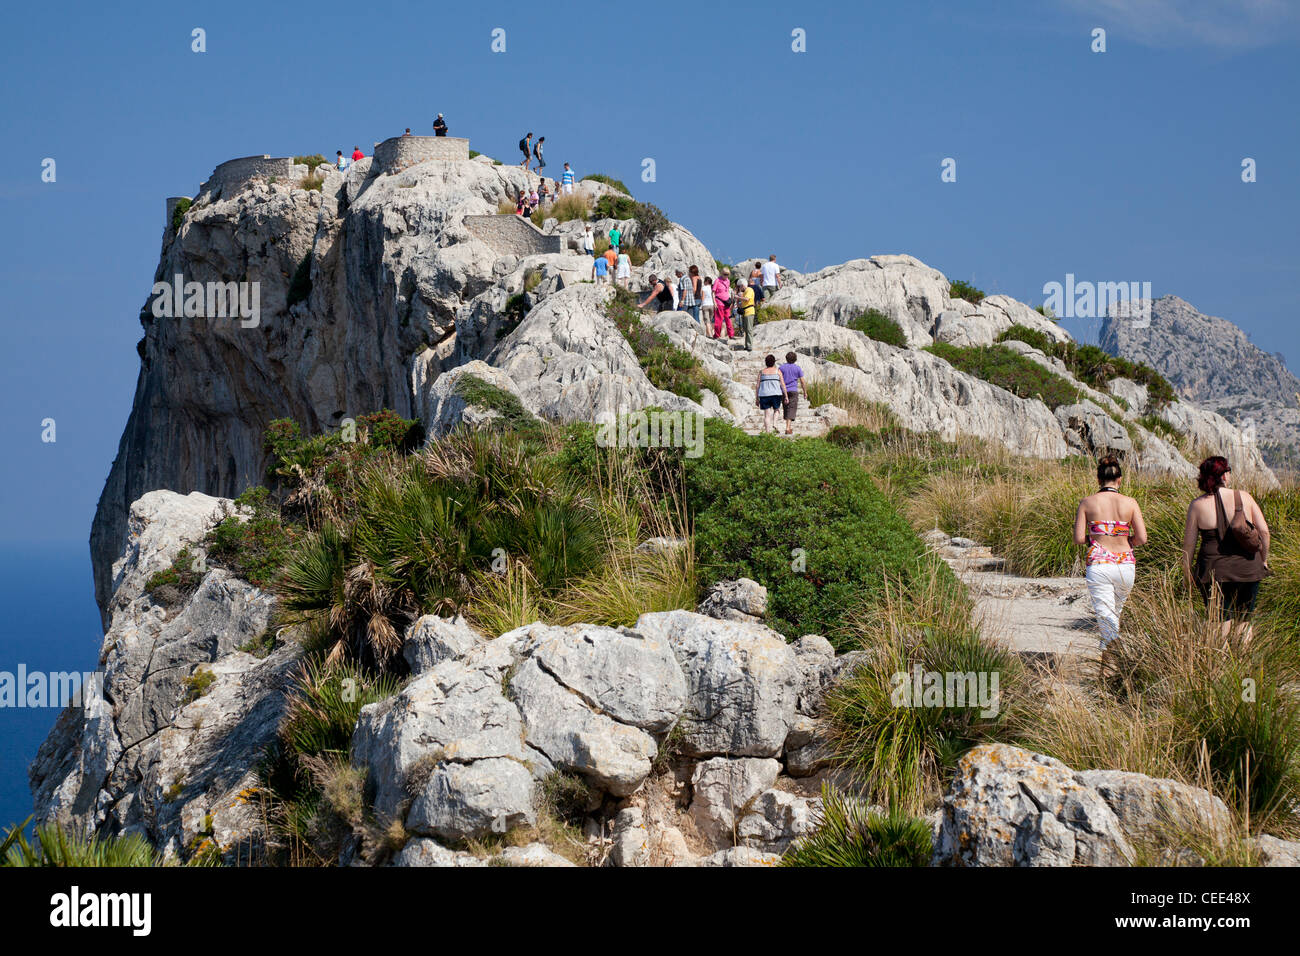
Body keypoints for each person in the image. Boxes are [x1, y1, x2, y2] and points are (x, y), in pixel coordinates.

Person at [1182, 456, 1271, 641]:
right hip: (1249, 568)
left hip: (1214, 572)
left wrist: (1187, 574)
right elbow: (1264, 532)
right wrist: (1263, 559)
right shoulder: (1244, 497)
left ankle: (1220, 665)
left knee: (1219, 621)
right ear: (1224, 476)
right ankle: (1243, 665)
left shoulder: (1197, 506)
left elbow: (1189, 545)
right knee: (1244, 621)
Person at [1074, 456, 1148, 669]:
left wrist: (1096, 539)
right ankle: (1108, 670)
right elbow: (1142, 538)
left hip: (1100, 564)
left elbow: (1079, 539)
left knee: (1106, 618)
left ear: (1098, 479)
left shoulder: (1087, 503)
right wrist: (1127, 541)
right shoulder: (1130, 503)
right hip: (1126, 565)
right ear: (1119, 480)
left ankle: (1113, 666)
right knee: (1113, 616)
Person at [755, 355, 788, 434]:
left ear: (765, 362)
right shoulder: (777, 371)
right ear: (774, 362)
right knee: (776, 410)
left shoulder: (761, 372)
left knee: (767, 414)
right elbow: (783, 384)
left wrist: (756, 398)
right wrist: (786, 396)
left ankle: (767, 432)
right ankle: (775, 424)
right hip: (776, 394)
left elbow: (757, 385)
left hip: (764, 394)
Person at [778, 352, 807, 435]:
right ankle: (788, 428)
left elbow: (778, 379)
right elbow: (802, 381)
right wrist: (805, 392)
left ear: (786, 358)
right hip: (793, 390)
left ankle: (788, 427)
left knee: (786, 407)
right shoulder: (797, 368)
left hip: (784, 391)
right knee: (792, 408)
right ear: (795, 359)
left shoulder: (781, 368)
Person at [737, 274, 757, 349]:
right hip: (745, 312)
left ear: (742, 285)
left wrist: (738, 297)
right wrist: (738, 300)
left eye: (739, 286)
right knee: (746, 329)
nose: (739, 288)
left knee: (749, 329)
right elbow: (743, 303)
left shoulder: (749, 290)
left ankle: (749, 345)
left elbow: (747, 299)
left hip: (749, 311)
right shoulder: (744, 292)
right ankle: (747, 345)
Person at [712, 273, 734, 339]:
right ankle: (717, 335)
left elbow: (726, 291)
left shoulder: (728, 281)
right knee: (719, 320)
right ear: (722, 274)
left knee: (728, 319)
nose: (726, 276)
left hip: (726, 303)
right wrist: (714, 302)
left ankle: (731, 335)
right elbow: (713, 292)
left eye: (727, 275)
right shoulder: (717, 281)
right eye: (725, 274)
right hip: (719, 302)